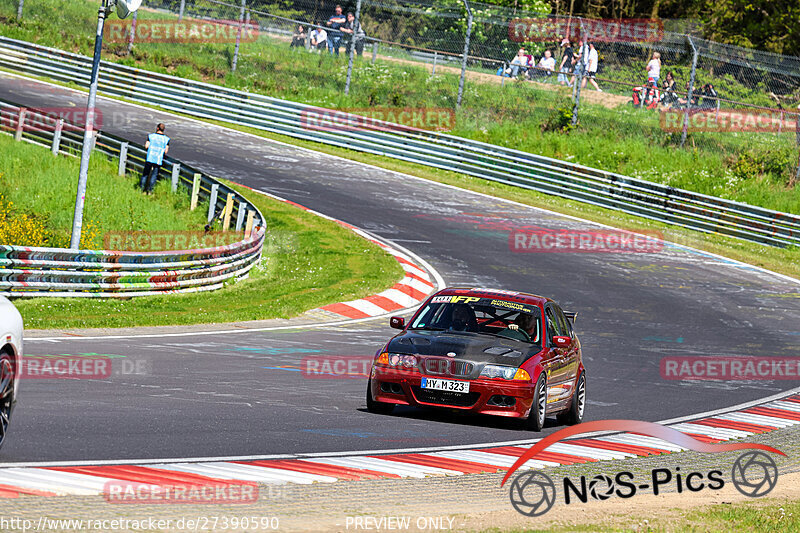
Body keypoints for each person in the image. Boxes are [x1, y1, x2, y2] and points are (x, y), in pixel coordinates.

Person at [140, 123, 170, 194]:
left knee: (145, 174)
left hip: (150, 157)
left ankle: (141, 189)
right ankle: (150, 191)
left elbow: (146, 146)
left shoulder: (151, 136)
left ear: (157, 128)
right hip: (158, 159)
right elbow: (166, 151)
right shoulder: (166, 139)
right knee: (154, 175)